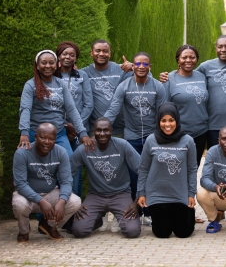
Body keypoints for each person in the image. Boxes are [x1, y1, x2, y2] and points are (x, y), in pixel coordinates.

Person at [159, 36, 226, 223]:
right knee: (211, 168)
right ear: (215, 48)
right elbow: (180, 81)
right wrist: (165, 76)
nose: (188, 61)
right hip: (209, 127)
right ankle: (216, 207)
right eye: (184, 58)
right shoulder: (205, 68)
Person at [81, 39, 137, 231]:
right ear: (91, 53)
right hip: (94, 132)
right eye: (98, 51)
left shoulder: (120, 69)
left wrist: (133, 67)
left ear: (110, 52)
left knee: (120, 170)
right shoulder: (84, 73)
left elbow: (144, 77)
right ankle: (101, 215)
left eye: (105, 51)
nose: (101, 54)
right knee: (96, 171)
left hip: (120, 129)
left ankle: (120, 213)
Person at [70, 118, 141, 238]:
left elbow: (142, 170)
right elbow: (66, 174)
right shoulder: (85, 149)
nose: (102, 134)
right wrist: (73, 201)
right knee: (78, 231)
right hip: (96, 195)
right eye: (98, 130)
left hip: (121, 193)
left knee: (132, 231)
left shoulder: (122, 145)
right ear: (93, 132)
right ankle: (97, 220)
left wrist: (137, 201)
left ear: (111, 131)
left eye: (106, 130)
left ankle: (120, 219)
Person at [12, 123, 81, 242]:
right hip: (27, 196)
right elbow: (20, 184)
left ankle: (48, 225)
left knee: (75, 202)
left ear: (55, 139)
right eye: (43, 137)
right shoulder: (22, 153)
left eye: (51, 139)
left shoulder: (61, 152)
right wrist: (40, 201)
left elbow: (66, 181)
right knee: (19, 205)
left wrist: (62, 201)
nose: (47, 142)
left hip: (50, 193)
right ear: (35, 137)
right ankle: (23, 231)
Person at [137, 102, 197, 238]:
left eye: (171, 120)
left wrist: (191, 194)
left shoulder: (187, 141)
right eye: (163, 120)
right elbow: (143, 169)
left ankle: (187, 213)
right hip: (157, 195)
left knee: (184, 233)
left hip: (179, 194)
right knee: (162, 233)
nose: (167, 124)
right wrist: (141, 193)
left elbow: (192, 169)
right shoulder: (151, 140)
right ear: (158, 121)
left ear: (177, 120)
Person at [18, 49, 92, 151]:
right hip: (35, 133)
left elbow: (71, 109)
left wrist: (82, 132)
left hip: (59, 134)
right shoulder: (30, 85)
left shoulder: (61, 84)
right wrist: (24, 133)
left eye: (51, 63)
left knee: (69, 162)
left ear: (56, 65)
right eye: (44, 63)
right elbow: (25, 109)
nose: (48, 66)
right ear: (37, 66)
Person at [105, 52, 166, 154]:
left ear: (150, 67)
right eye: (137, 64)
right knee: (132, 168)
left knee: (153, 169)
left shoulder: (158, 86)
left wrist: (163, 135)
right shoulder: (123, 86)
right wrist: (102, 126)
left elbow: (162, 112)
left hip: (153, 136)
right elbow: (113, 109)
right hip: (131, 137)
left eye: (145, 64)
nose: (141, 67)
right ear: (132, 66)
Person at [54, 41, 93, 198]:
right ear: (59, 56)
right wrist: (64, 126)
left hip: (79, 130)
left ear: (76, 58)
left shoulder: (82, 76)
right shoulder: (52, 75)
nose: (68, 57)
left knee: (76, 167)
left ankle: (74, 206)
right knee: (59, 166)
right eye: (64, 54)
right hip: (57, 129)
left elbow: (89, 104)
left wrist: (76, 126)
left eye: (72, 55)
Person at [163, 45, 209, 168]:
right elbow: (165, 108)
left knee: (194, 167)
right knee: (178, 167)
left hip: (201, 131)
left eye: (192, 57)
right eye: (184, 57)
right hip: (179, 133)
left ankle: (191, 188)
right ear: (178, 59)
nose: (188, 60)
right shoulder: (169, 79)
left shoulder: (202, 77)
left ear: (197, 59)